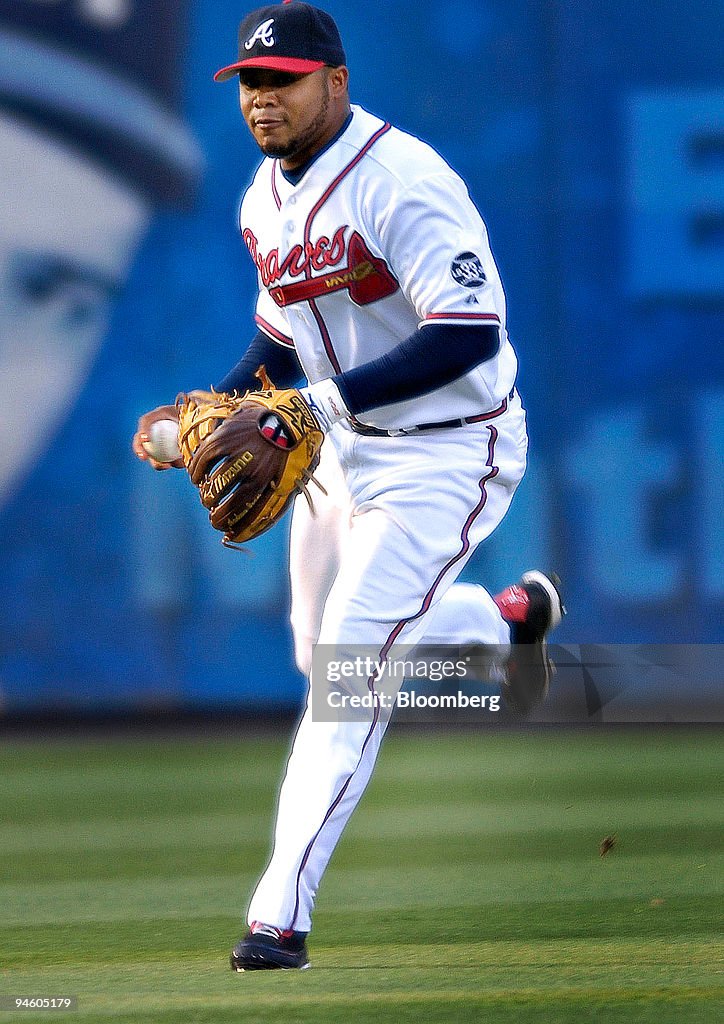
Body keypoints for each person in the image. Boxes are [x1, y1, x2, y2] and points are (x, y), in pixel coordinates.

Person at [133, 0, 564, 971]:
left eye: (282, 80)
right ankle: (501, 623)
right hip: (337, 447)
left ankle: (276, 919)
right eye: (249, 82)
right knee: (314, 653)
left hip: (449, 448)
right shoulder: (260, 199)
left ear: (335, 80)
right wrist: (209, 406)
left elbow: (468, 332)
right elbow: (281, 336)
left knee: (347, 674)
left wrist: (309, 412)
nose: (263, 99)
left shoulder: (404, 181)